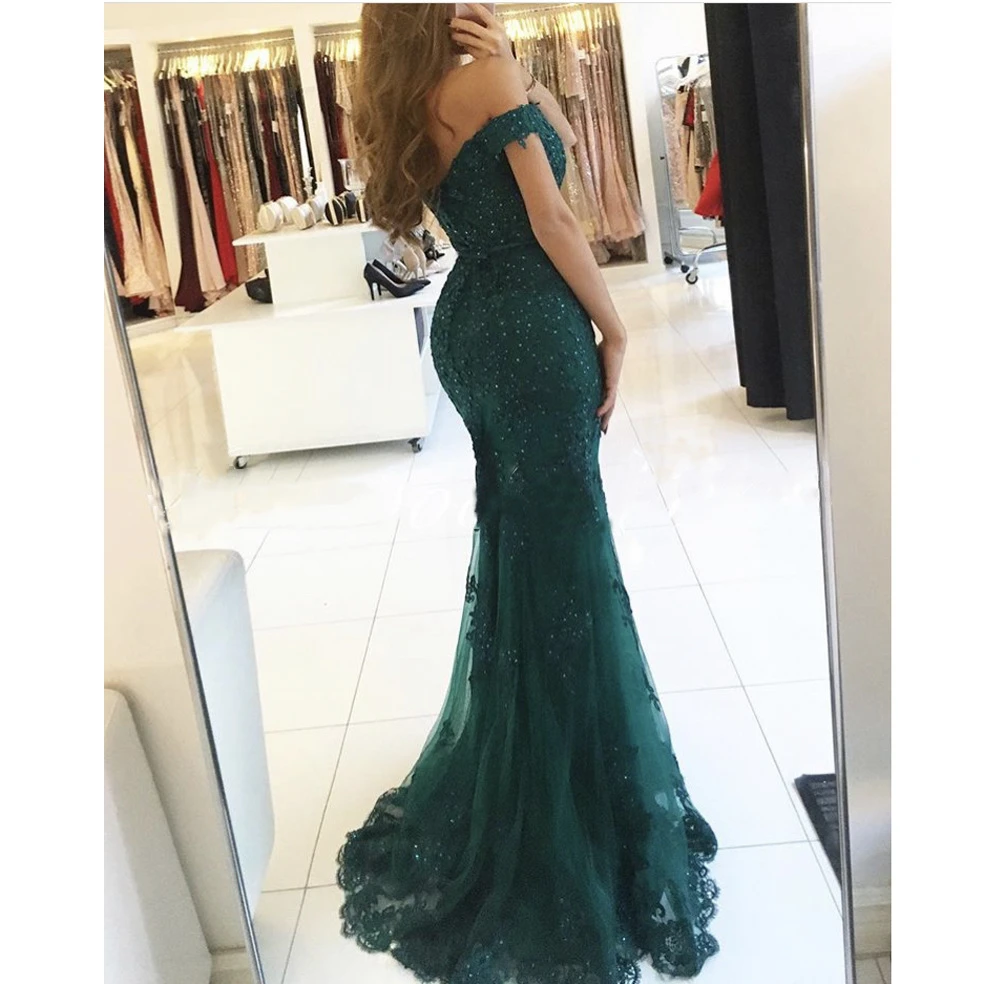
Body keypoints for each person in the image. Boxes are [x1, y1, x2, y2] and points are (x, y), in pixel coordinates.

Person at [337, 7, 720, 983]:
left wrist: (516, 64)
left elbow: (549, 157)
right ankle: (566, 801)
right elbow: (553, 217)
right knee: (567, 551)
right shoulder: (484, 82)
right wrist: (617, 328)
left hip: (475, 329)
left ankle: (544, 760)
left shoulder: (421, 90)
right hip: (530, 328)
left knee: (528, 545)